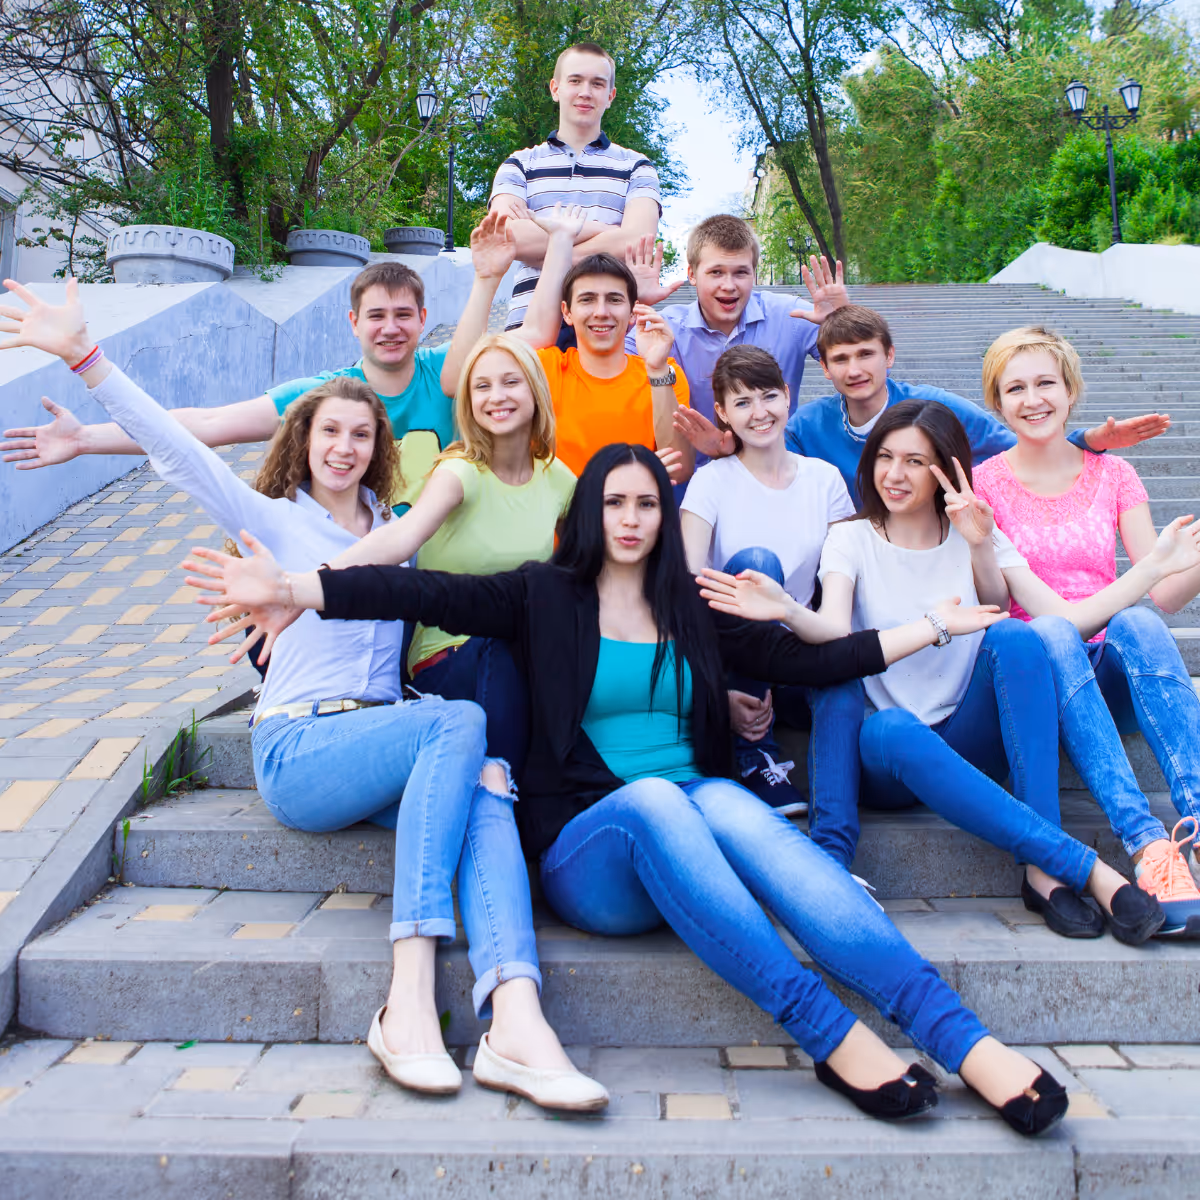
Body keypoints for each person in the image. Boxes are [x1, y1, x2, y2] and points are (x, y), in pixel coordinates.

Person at [188, 442, 1075, 1137]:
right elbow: (415, 586)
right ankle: (832, 1036)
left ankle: (965, 1038)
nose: (631, 516)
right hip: (592, 852)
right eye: (614, 501)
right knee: (662, 799)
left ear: (665, 514)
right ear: (588, 511)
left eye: (648, 502)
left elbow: (821, 659)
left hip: (695, 824)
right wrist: (297, 587)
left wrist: (931, 625)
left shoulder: (694, 605)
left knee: (739, 810)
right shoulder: (544, 596)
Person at [0, 277, 608, 1113]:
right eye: (331, 430)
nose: (346, 446)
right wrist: (86, 358)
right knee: (461, 723)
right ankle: (408, 995)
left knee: (491, 788)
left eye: (363, 433)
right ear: (305, 436)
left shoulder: (397, 541)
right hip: (300, 748)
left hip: (381, 742)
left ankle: (517, 1018)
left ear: (380, 446)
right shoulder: (273, 522)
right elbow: (182, 449)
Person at [699, 399, 1171, 945]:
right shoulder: (851, 537)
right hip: (885, 751)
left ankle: (1042, 873)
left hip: (964, 733)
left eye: (915, 462)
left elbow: (1061, 621)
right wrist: (786, 608)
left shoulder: (976, 531)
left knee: (1017, 637)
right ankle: (1082, 866)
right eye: (886, 458)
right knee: (884, 719)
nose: (895, 475)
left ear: (945, 468)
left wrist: (982, 546)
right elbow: (831, 631)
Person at [971, 325, 1200, 932]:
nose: (1033, 398)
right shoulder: (987, 482)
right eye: (1014, 387)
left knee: (1141, 622)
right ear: (997, 403)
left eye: (1046, 382)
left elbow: (1167, 590)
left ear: (1071, 391)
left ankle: (1197, 826)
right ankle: (1149, 845)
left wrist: (1191, 558)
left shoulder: (1115, 475)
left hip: (1109, 674)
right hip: (1040, 678)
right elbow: (1020, 604)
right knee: (1051, 633)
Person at [1, 259, 468, 508]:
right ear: (353, 323)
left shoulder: (452, 372)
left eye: (403, 315)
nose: (391, 328)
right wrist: (86, 438)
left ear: (424, 319)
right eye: (377, 316)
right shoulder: (329, 396)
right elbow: (208, 422)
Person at [680, 345, 857, 818]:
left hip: (797, 638)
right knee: (758, 563)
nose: (759, 413)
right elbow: (684, 587)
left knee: (845, 675)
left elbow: (841, 577)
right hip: (731, 648)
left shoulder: (825, 480)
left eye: (768, 396)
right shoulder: (711, 481)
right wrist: (712, 686)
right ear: (721, 413)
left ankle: (835, 828)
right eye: (742, 403)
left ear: (787, 397)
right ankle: (754, 754)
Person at [778, 306, 1170, 505]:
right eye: (841, 359)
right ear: (825, 368)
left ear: (890, 356)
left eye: (866, 355)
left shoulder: (931, 406)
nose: (855, 369)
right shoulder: (809, 424)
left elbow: (1016, 447)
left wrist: (1087, 439)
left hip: (931, 541)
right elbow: (772, 474)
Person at [627, 214, 850, 454]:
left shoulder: (791, 315)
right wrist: (631, 305)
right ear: (691, 274)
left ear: (754, 273)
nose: (729, 285)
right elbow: (606, 381)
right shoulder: (663, 328)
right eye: (716, 272)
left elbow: (865, 371)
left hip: (776, 471)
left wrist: (843, 323)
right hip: (692, 477)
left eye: (741, 273)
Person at [489, 41, 661, 336]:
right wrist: (605, 231)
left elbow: (637, 243)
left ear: (610, 95)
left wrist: (555, 243)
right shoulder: (519, 165)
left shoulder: (637, 167)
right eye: (575, 81)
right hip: (528, 329)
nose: (585, 92)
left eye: (597, 83)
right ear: (556, 89)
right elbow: (508, 240)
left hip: (607, 328)